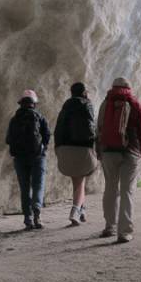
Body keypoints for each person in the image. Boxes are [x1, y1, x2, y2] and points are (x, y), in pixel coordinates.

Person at [96, 77, 141, 243]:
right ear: (129, 88)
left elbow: (99, 128)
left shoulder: (105, 104)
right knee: (127, 191)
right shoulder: (135, 104)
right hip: (131, 152)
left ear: (112, 87)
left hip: (109, 152)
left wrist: (99, 150)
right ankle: (124, 232)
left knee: (110, 188)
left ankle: (109, 226)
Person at [5, 89, 51, 230]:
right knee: (38, 185)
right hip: (38, 156)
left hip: (20, 158)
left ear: (21, 104)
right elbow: (47, 135)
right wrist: (43, 148)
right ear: (34, 104)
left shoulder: (14, 119)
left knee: (25, 188)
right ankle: (37, 209)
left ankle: (28, 219)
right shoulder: (40, 117)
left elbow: (8, 139)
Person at [54, 82, 98, 227]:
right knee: (80, 181)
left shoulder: (65, 107)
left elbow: (58, 129)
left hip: (64, 147)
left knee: (77, 182)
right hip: (83, 148)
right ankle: (75, 211)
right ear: (84, 92)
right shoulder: (87, 105)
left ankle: (82, 209)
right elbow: (91, 126)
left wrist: (57, 148)